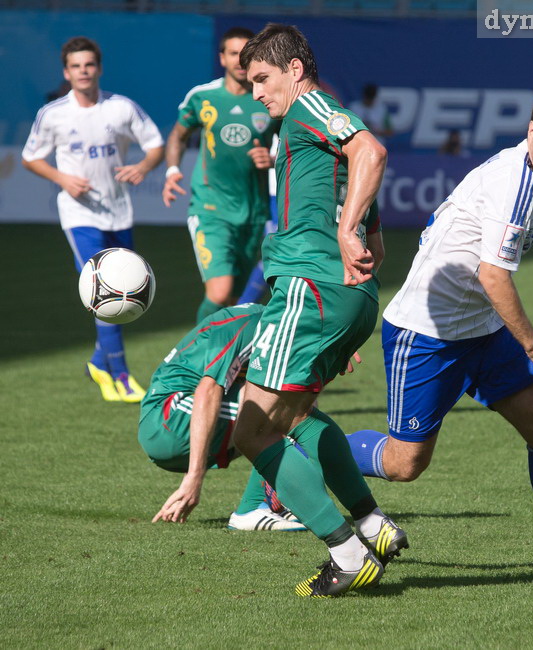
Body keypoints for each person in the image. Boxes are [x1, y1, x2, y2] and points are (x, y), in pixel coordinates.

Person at [158, 23, 407, 599]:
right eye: (250, 82)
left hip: (310, 288)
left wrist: (344, 234)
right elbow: (374, 224)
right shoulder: (309, 123)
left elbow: (372, 150)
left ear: (295, 69)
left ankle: (348, 554)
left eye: (264, 79)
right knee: (294, 420)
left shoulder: (312, 104)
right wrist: (355, 247)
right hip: (340, 295)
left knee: (251, 428)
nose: (258, 93)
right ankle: (373, 527)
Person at [346, 89, 533, 580]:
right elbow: (491, 275)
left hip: (480, 328)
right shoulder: (513, 183)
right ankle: (302, 456)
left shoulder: (527, 176)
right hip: (427, 332)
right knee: (404, 464)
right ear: (532, 130)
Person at [22, 36, 164, 403]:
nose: (83, 72)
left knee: (130, 291)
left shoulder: (120, 108)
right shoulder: (53, 114)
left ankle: (99, 362)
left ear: (98, 69)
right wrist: (62, 178)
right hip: (79, 214)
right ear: (65, 72)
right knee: (105, 291)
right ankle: (119, 374)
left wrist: (143, 166)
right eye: (75, 66)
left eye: (89, 65)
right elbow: (31, 157)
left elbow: (155, 144)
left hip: (118, 211)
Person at [139, 302, 307, 532]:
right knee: (283, 403)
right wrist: (194, 477)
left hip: (176, 421)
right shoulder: (253, 324)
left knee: (298, 400)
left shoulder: (282, 325)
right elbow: (207, 391)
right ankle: (252, 509)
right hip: (168, 417)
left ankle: (270, 501)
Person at [162, 27, 279, 323]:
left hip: (253, 214)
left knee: (230, 302)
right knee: (218, 293)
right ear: (222, 58)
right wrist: (173, 170)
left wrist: (273, 158)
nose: (240, 60)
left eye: (245, 53)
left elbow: (293, 144)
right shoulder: (203, 97)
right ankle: (188, 359)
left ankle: (219, 364)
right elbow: (178, 134)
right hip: (211, 208)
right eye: (232, 53)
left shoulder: (269, 98)